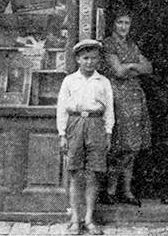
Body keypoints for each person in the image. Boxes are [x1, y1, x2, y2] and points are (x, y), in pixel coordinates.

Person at [57, 39, 114, 235]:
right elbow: (62, 109)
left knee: (93, 174)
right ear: (78, 60)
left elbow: (109, 110)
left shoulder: (103, 82)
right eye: (85, 58)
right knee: (75, 173)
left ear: (99, 60)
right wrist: (62, 134)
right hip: (75, 124)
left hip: (96, 125)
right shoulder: (69, 81)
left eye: (94, 58)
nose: (89, 62)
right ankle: (75, 219)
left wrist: (108, 132)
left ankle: (89, 218)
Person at [102, 9, 152, 206]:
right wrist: (134, 66)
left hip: (135, 97)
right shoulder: (108, 44)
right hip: (119, 97)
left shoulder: (132, 44)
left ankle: (127, 191)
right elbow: (119, 71)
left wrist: (129, 65)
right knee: (120, 146)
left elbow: (149, 68)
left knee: (133, 148)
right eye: (120, 22)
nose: (123, 27)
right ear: (113, 24)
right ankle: (111, 190)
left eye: (127, 23)